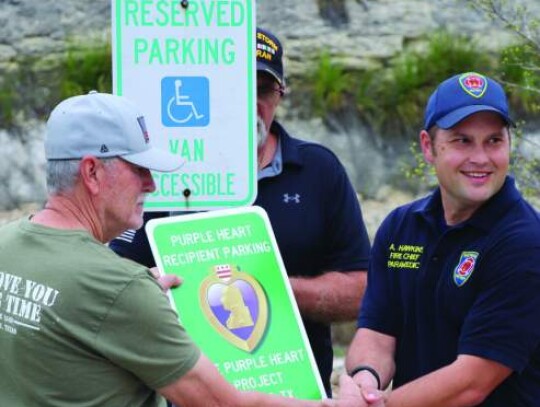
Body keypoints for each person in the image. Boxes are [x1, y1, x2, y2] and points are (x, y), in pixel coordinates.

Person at [0, 91, 365, 406]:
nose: (151, 185)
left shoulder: (8, 244)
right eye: (138, 168)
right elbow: (223, 403)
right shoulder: (118, 287)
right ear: (92, 173)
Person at [110, 27, 371, 396]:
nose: (248, 103)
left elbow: (363, 290)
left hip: (296, 395)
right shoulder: (165, 174)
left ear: (280, 95)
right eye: (235, 87)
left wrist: (268, 288)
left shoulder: (319, 170)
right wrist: (150, 291)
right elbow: (112, 275)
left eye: (262, 89)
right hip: (190, 396)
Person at [345, 72, 540, 406]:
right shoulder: (400, 227)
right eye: (462, 141)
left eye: (494, 141)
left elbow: (472, 381)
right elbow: (377, 332)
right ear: (428, 147)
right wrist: (364, 381)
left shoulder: (524, 242)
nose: (480, 158)